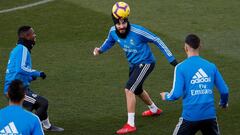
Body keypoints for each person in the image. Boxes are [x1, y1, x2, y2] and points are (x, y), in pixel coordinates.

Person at [93, 2, 178, 134]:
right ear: (115, 23)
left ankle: (130, 124)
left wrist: (171, 59)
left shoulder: (138, 31)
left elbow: (157, 39)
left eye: (124, 23)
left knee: (129, 89)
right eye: (119, 24)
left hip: (146, 63)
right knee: (137, 89)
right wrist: (100, 50)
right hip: (134, 65)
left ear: (127, 20)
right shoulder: (113, 32)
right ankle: (154, 109)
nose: (121, 26)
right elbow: (109, 41)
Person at [160, 34, 229, 135]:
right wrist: (223, 103)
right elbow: (224, 90)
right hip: (209, 117)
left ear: (186, 47)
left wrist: (165, 96)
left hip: (190, 118)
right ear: (200, 46)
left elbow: (175, 94)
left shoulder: (180, 67)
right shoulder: (211, 66)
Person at [4, 26, 64, 132]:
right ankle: (26, 126)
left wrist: (31, 77)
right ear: (27, 36)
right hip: (15, 90)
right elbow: (20, 68)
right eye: (33, 33)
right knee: (42, 103)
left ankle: (47, 125)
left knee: (39, 103)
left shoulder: (19, 49)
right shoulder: (22, 49)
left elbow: (16, 72)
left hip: (19, 87)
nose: (35, 35)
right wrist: (38, 73)